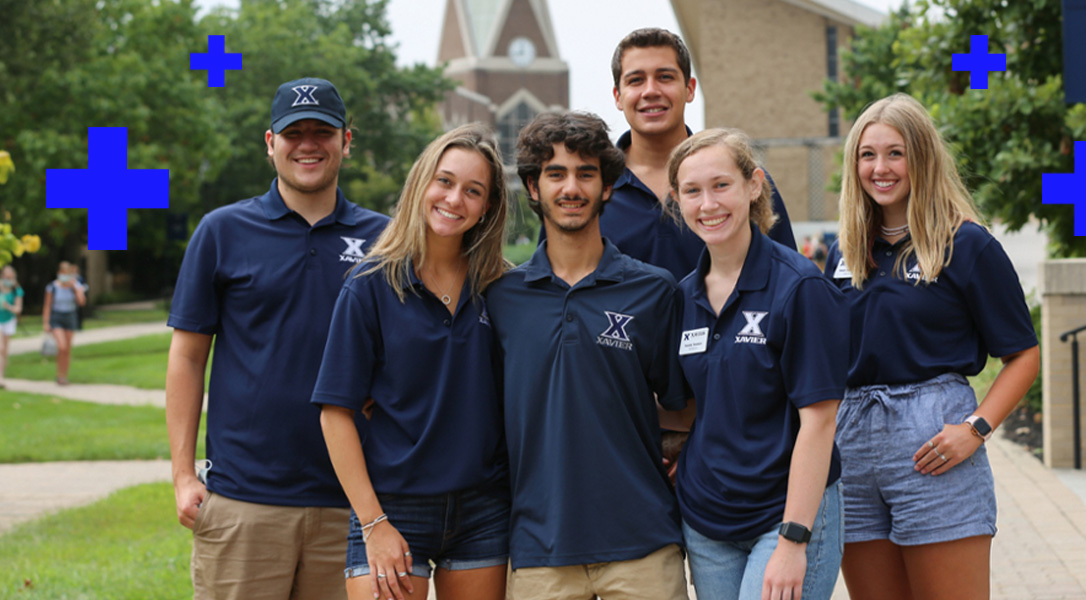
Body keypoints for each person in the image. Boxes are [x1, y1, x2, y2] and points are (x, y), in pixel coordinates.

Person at [166, 77, 390, 600]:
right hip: (245, 502)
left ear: (347, 141)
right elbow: (187, 357)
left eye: (323, 131)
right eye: (294, 132)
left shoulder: (387, 239)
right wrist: (182, 475)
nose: (308, 144)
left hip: (354, 506)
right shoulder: (222, 231)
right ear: (271, 143)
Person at [824, 93, 1040, 600]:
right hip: (852, 445)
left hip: (932, 440)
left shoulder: (966, 245)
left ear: (921, 156)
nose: (880, 168)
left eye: (895, 153)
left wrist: (976, 429)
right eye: (867, 154)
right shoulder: (846, 249)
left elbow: (1023, 354)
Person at [486, 110, 690, 600]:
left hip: (643, 544)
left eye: (585, 173)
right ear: (533, 189)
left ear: (609, 187)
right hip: (540, 549)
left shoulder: (654, 291)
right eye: (555, 174)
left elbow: (686, 404)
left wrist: (683, 449)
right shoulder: (500, 298)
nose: (571, 188)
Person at [312, 124, 510, 600]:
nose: (454, 198)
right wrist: (373, 523)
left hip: (484, 507)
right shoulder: (369, 287)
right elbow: (335, 412)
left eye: (473, 190)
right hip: (392, 504)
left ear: (486, 208)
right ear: (421, 184)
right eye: (444, 181)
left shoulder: (502, 289)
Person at [667, 128, 847, 600]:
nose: (708, 203)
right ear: (677, 200)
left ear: (753, 186)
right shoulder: (682, 297)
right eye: (692, 191)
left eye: (721, 185)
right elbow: (692, 404)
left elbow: (820, 421)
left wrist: (792, 539)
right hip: (708, 524)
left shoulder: (799, 288)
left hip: (785, 513)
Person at [603, 27, 798, 281]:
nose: (650, 90)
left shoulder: (742, 180)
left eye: (665, 77)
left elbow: (788, 276)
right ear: (618, 96)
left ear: (690, 89)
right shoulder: (594, 189)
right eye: (636, 80)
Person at [42, 261, 86, 386]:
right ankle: (59, 374)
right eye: (63, 273)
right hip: (57, 317)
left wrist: (75, 288)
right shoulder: (52, 287)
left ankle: (64, 376)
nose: (64, 275)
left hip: (70, 316)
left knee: (67, 349)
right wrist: (46, 323)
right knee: (61, 346)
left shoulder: (75, 285)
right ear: (59, 273)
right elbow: (47, 305)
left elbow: (81, 302)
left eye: (67, 273)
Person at [0, 265, 24, 387]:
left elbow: (18, 309)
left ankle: (1, 376)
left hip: (9, 320)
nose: (8, 279)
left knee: (4, 350)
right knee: (0, 347)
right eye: (6, 277)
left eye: (10, 277)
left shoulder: (16, 290)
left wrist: (8, 306)